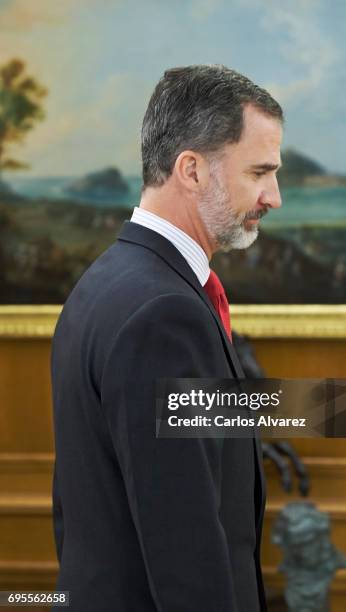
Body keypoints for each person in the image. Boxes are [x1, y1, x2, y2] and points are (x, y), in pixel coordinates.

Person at [51, 64, 283, 612]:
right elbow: (184, 542)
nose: (274, 196)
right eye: (260, 172)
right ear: (192, 170)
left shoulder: (106, 281)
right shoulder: (163, 314)